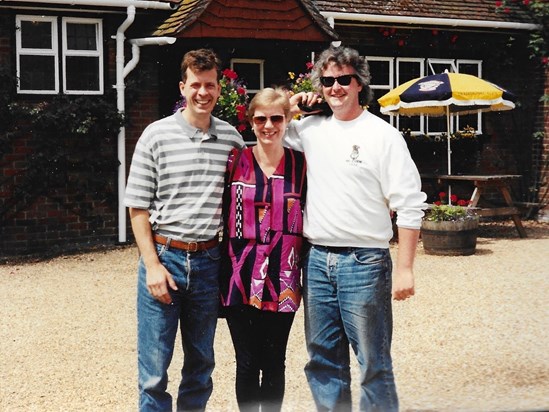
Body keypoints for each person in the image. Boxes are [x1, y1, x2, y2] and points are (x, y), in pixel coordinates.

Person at [285, 46, 427, 411]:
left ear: (360, 84)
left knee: (373, 364)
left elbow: (409, 204)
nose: (335, 88)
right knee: (322, 361)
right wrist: (291, 106)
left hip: (365, 263)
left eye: (343, 80)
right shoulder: (308, 129)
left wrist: (406, 268)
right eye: (328, 81)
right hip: (316, 262)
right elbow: (266, 133)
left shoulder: (383, 136)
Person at [124, 48, 245, 411]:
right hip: (165, 258)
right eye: (195, 85)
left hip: (209, 262)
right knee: (153, 371)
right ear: (183, 86)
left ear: (219, 89)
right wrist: (153, 266)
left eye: (210, 85)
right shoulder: (155, 136)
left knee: (200, 365)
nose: (202, 93)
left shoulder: (231, 141)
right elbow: (137, 207)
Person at [220, 88, 307, 412]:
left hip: (283, 279)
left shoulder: (301, 165)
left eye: (276, 118)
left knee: (274, 361)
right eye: (260, 119)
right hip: (238, 276)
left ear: (287, 121)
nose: (268, 125)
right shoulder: (235, 161)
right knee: (246, 361)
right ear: (250, 122)